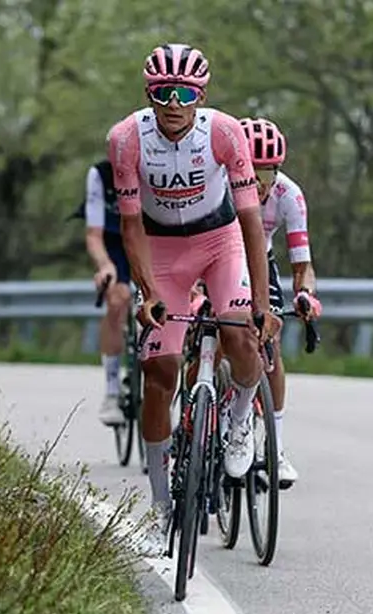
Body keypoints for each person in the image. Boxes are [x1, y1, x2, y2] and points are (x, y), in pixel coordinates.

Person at [106, 42, 281, 545]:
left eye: (184, 94)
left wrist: (262, 303)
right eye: (163, 92)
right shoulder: (126, 139)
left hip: (220, 242)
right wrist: (147, 293)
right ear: (149, 94)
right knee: (159, 370)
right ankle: (160, 503)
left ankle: (240, 419)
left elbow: (250, 221)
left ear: (200, 97)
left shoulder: (223, 132)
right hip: (162, 252)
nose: (173, 104)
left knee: (242, 337)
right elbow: (131, 226)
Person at [238, 116, 323, 488]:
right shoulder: (218, 184)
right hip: (219, 257)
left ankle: (277, 448)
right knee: (211, 333)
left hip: (262, 260)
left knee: (270, 336)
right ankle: (195, 422)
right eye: (252, 173)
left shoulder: (289, 195)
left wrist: (305, 294)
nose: (260, 183)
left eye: (268, 174)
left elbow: (302, 264)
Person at [81, 158, 134, 426]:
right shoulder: (100, 175)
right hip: (115, 245)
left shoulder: (156, 165)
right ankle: (112, 391)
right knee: (117, 300)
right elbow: (94, 234)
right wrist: (104, 265)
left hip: (152, 239)